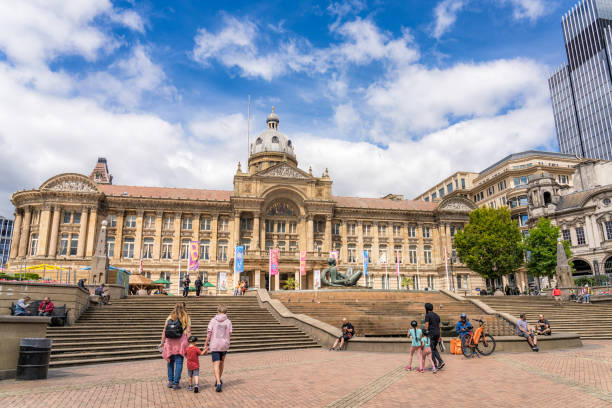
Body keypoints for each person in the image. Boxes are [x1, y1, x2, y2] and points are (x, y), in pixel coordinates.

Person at [161, 302, 191, 390]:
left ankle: (170, 381)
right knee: (179, 362)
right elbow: (188, 332)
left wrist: (162, 342)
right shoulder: (186, 317)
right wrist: (190, 343)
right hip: (181, 341)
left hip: (170, 341)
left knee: (170, 361)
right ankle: (176, 383)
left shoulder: (170, 317)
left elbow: (164, 330)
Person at [203, 304, 232, 393]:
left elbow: (209, 333)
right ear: (225, 312)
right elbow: (230, 333)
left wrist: (205, 344)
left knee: (216, 364)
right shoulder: (228, 322)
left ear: (218, 311)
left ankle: (218, 382)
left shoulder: (213, 321)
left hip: (215, 345)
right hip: (224, 345)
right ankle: (218, 379)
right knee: (222, 363)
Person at [424, 303, 445, 370]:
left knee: (431, 349)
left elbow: (426, 325)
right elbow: (439, 327)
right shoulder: (437, 315)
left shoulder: (427, 315)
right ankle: (438, 363)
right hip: (437, 333)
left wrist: (425, 334)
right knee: (433, 348)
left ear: (426, 309)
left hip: (431, 334)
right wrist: (440, 336)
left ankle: (436, 364)